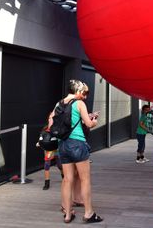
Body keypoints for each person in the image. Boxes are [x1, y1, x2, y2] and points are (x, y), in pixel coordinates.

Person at [58, 79, 103, 224]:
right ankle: (89, 213)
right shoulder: (79, 103)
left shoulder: (59, 103)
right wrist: (94, 120)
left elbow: (53, 122)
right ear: (77, 91)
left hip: (63, 145)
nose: (83, 94)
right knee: (85, 179)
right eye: (83, 92)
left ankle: (67, 213)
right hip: (77, 144)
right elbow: (89, 124)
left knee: (67, 180)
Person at [37, 110, 63, 190]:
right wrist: (39, 143)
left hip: (57, 149)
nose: (50, 119)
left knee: (60, 165)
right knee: (47, 165)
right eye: (49, 118)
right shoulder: (45, 129)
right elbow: (42, 138)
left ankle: (64, 178)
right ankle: (47, 183)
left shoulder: (59, 128)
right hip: (49, 151)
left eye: (53, 118)